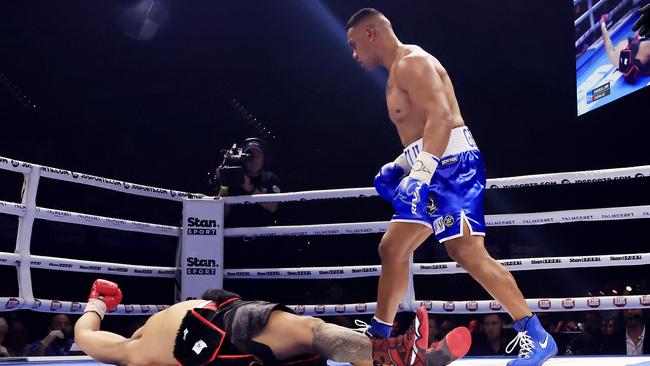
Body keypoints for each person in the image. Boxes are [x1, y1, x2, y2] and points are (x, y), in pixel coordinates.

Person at [345, 8, 556, 365]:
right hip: (431, 166)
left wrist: (421, 174)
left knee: (467, 253)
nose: (353, 54)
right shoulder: (397, 72)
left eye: (354, 44)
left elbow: (442, 119)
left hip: (452, 168)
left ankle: (536, 335)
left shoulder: (411, 63)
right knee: (393, 248)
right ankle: (379, 336)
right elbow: (421, 128)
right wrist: (400, 166)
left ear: (370, 33)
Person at [75, 279, 470, 366]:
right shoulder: (133, 349)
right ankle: (394, 356)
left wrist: (99, 303)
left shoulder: (133, 348)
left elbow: (88, 337)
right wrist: (97, 302)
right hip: (216, 327)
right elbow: (88, 338)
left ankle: (400, 358)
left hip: (215, 341)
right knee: (310, 331)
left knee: (309, 346)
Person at [600, 14, 650, 83]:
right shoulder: (616, 56)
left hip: (631, 64)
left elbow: (606, 40)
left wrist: (602, 23)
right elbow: (606, 40)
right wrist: (603, 23)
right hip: (634, 57)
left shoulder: (614, 59)